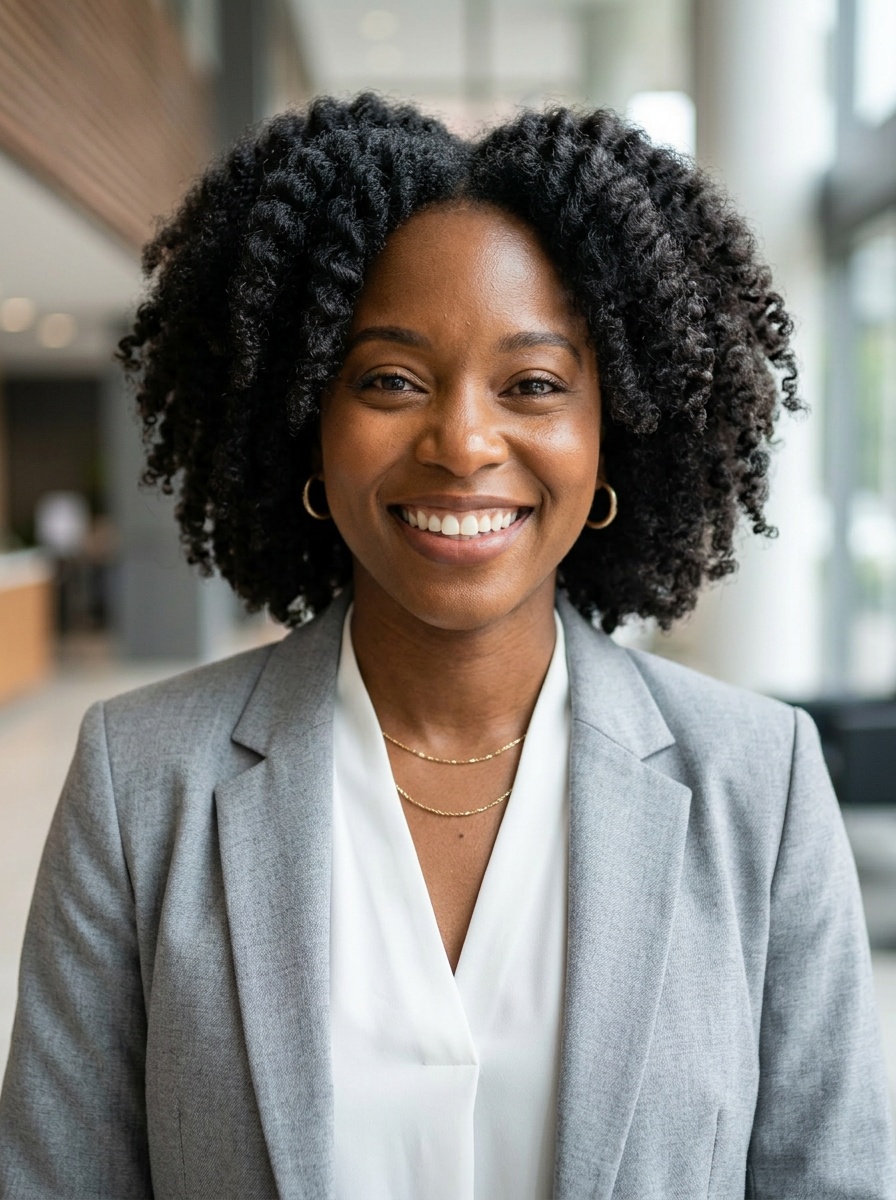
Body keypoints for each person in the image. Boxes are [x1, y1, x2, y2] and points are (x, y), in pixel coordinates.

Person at [0, 94, 893, 1200]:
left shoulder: (759, 785)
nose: (463, 441)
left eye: (532, 385)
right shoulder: (141, 782)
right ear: (304, 421)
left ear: (609, 428)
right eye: (389, 380)